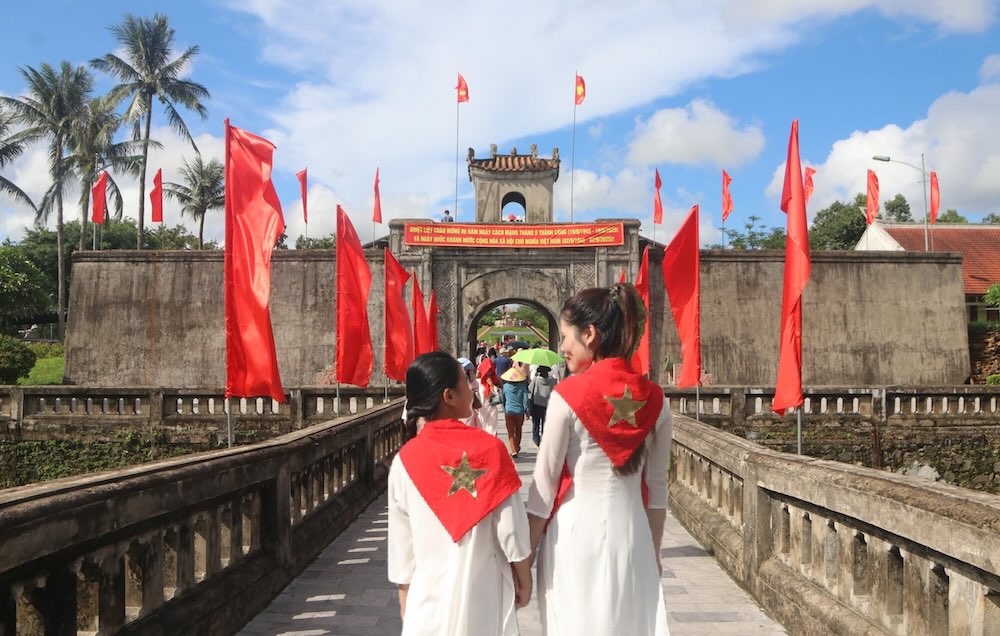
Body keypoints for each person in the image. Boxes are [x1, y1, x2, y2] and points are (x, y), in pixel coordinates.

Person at [526, 284, 672, 635]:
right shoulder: (657, 400)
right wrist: (652, 552)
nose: (562, 348)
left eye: (565, 337)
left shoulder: (568, 395)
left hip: (574, 535)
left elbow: (543, 489)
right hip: (633, 534)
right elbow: (658, 487)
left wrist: (523, 560)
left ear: (589, 334)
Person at [388, 352, 532, 635]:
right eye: (465, 381)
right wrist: (524, 578)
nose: (472, 385)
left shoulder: (404, 460)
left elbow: (401, 547)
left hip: (427, 600)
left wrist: (406, 598)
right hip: (483, 595)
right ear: (449, 396)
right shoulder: (490, 450)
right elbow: (512, 531)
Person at [500, 366, 530, 457]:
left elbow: (503, 400)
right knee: (518, 430)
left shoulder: (505, 387)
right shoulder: (522, 387)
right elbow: (525, 400)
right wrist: (527, 411)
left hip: (508, 411)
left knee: (510, 432)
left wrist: (504, 409)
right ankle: (516, 447)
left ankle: (513, 450)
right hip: (519, 412)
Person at [528, 366, 556, 447]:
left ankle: (536, 439)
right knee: (545, 423)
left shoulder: (536, 380)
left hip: (536, 404)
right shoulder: (553, 381)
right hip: (548, 405)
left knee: (536, 423)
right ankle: (545, 439)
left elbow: (530, 390)